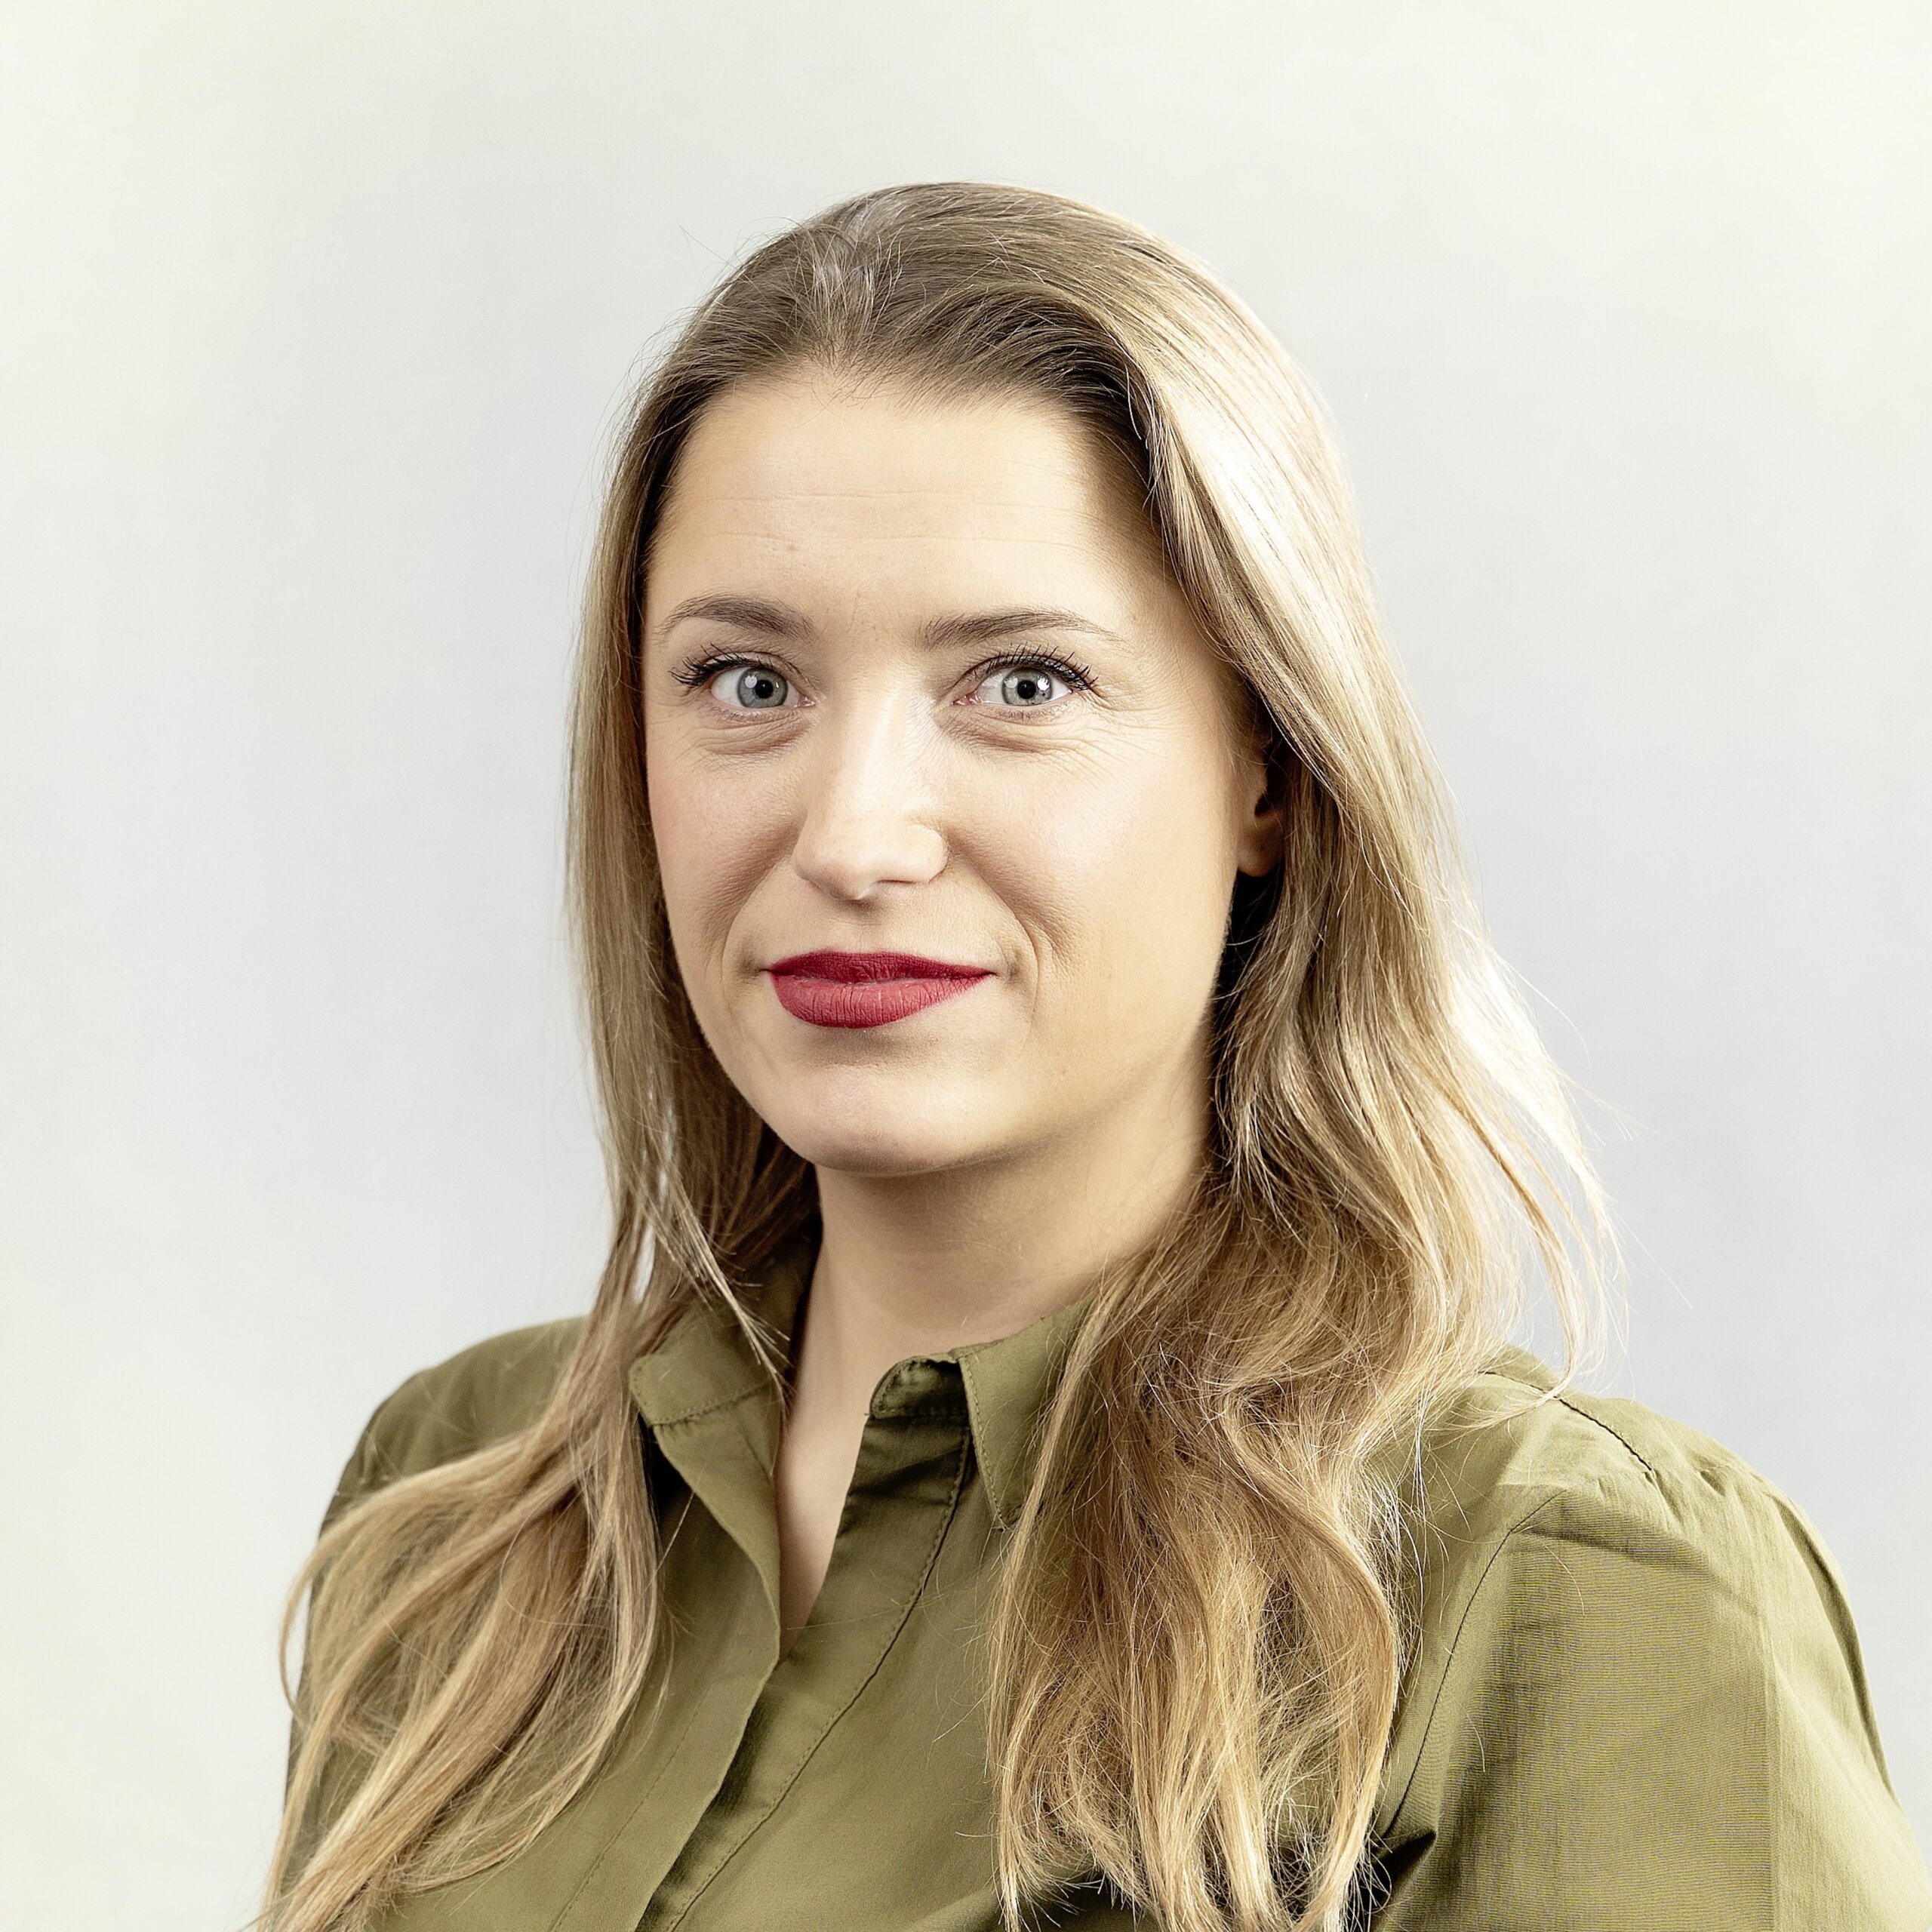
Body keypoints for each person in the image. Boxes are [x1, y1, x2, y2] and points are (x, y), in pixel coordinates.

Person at [260, 182, 1930, 1932]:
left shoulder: (1567, 1589)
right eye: (748, 682)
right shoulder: (458, 1511)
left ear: (1267, 772)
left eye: (1021, 684)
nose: (852, 834)